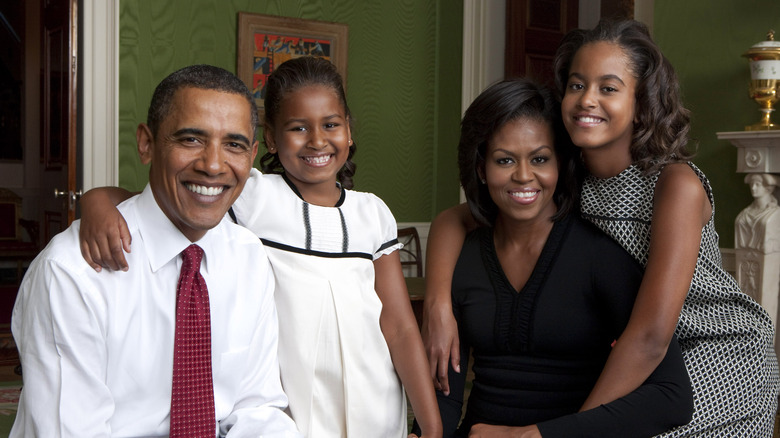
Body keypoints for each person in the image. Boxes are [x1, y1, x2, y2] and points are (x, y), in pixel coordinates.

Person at [423, 19, 780, 437]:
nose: (587, 99)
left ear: (642, 101)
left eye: (608, 88)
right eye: (577, 85)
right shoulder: (570, 176)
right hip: (643, 354)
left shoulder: (675, 184)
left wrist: (573, 430)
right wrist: (438, 304)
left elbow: (650, 337)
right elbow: (458, 218)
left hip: (717, 352)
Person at [77, 56, 442, 438]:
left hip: (375, 405)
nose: (317, 140)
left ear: (349, 131)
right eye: (298, 128)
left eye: (331, 125)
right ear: (269, 138)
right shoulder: (252, 194)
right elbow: (163, 202)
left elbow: (399, 327)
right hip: (291, 410)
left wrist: (432, 425)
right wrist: (96, 200)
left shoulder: (373, 213)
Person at [10, 65, 300, 437]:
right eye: (191, 139)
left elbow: (256, 409)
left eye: (234, 145)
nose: (213, 165)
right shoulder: (71, 273)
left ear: (252, 154)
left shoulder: (249, 257)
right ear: (146, 143)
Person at [414, 77, 693, 437]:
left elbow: (671, 398)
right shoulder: (460, 254)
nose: (524, 176)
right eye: (504, 160)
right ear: (481, 169)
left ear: (560, 164)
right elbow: (445, 391)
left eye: (540, 159)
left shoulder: (601, 253)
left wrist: (536, 436)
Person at [735, 173, 780, 252]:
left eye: (757, 184)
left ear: (768, 188)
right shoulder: (744, 213)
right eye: (751, 184)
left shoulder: (775, 213)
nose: (753, 188)